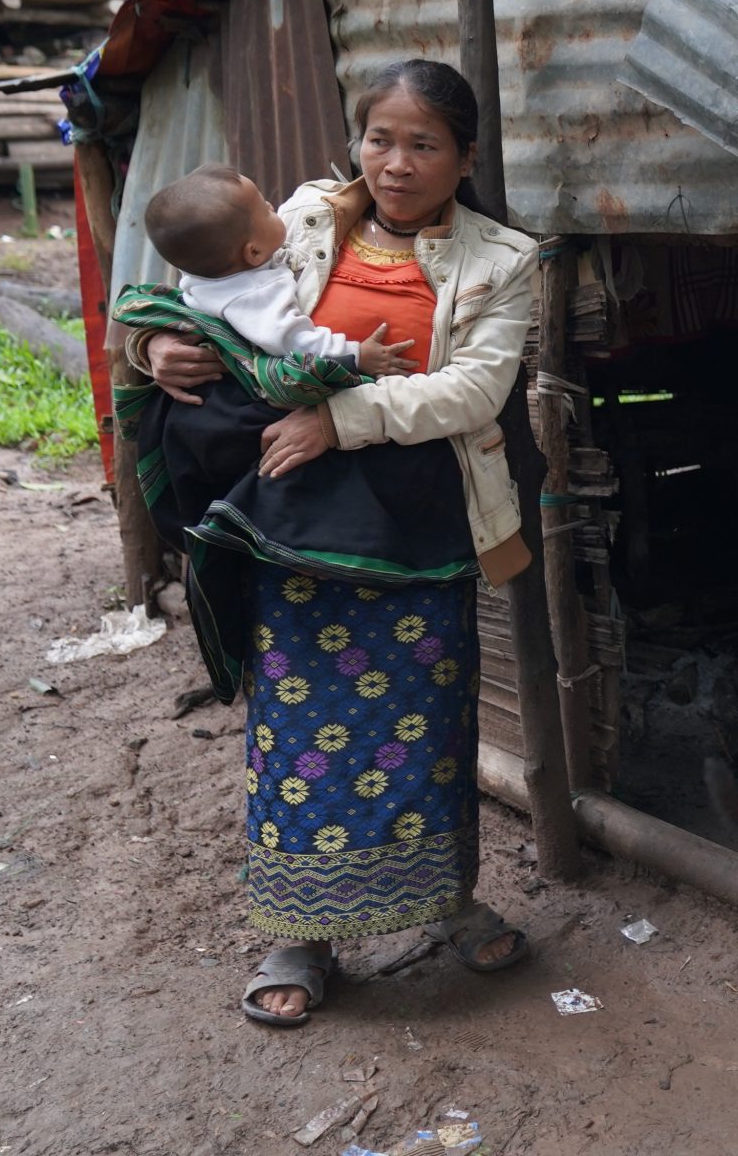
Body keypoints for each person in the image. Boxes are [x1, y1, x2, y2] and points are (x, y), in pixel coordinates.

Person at [127, 59, 538, 1027]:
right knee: (296, 728)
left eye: (424, 144)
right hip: (292, 517)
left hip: (420, 516)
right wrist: (159, 348)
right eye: (379, 140)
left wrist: (338, 420)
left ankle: (443, 903)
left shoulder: (503, 259)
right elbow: (199, 279)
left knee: (427, 732)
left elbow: (473, 391)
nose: (395, 164)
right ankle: (298, 931)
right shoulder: (305, 214)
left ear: (465, 155)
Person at [144, 163, 414, 375]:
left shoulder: (210, 269)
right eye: (265, 209)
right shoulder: (255, 297)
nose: (274, 206)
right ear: (254, 252)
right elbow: (293, 341)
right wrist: (356, 354)